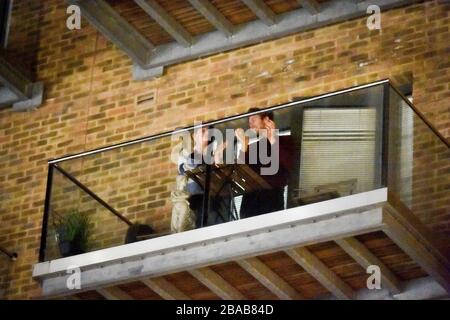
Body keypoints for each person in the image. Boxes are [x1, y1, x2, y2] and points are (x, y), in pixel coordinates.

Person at [236, 107, 295, 218]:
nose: (250, 122)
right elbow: (240, 173)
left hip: (272, 197)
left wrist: (272, 138)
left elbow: (288, 162)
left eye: (254, 118)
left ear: (266, 120)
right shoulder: (253, 147)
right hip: (250, 199)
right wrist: (243, 144)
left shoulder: (285, 141)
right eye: (249, 119)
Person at [177, 126, 229, 228]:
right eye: (202, 130)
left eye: (208, 130)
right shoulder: (185, 153)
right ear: (194, 136)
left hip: (217, 200)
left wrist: (217, 155)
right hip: (195, 201)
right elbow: (186, 169)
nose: (206, 132)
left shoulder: (215, 151)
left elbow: (222, 175)